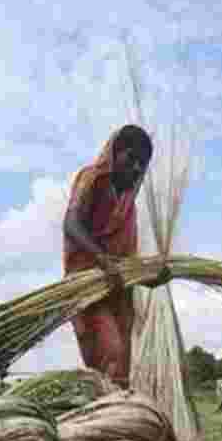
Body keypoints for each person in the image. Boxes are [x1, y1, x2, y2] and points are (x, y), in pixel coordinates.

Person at [63, 124, 171, 389]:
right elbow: (71, 224)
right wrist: (103, 261)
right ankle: (103, 415)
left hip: (117, 290)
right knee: (110, 351)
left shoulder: (127, 206)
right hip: (88, 284)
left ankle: (113, 422)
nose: (136, 168)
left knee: (121, 364)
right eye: (131, 158)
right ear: (114, 154)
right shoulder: (91, 179)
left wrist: (150, 277)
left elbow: (125, 264)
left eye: (142, 164)